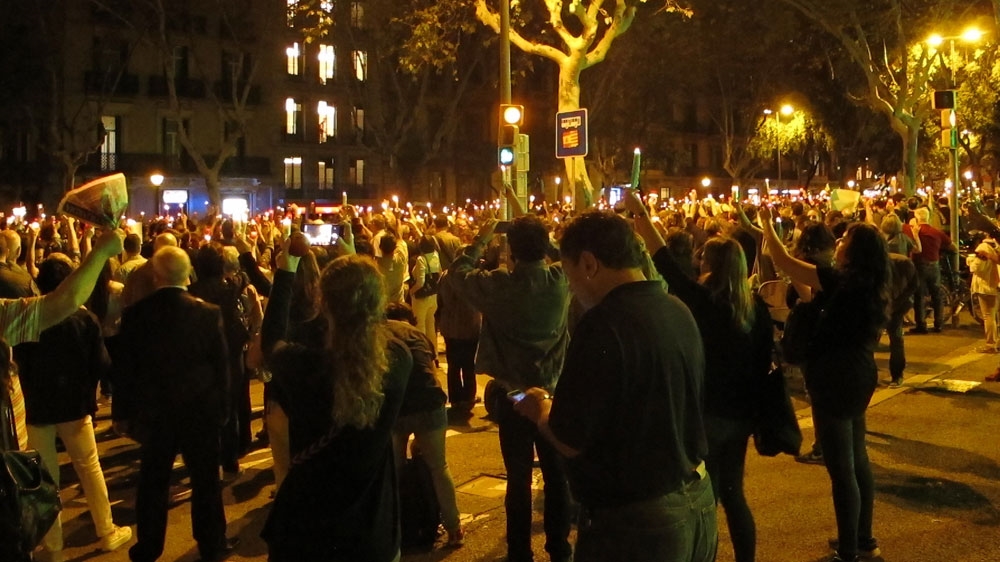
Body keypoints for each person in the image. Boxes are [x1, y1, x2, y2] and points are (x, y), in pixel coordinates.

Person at [514, 210, 716, 562]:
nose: (571, 289)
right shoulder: (677, 310)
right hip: (698, 501)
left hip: (637, 522)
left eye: (569, 273)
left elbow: (570, 437)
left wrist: (540, 406)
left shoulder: (603, 325)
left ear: (589, 263)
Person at [628, 190, 770, 562]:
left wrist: (640, 212)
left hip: (703, 413)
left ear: (711, 264)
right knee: (734, 494)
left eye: (703, 255)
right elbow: (763, 364)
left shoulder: (703, 302)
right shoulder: (757, 309)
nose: (696, 257)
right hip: (740, 415)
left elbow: (664, 264)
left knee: (697, 494)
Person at [260, 245, 412, 562]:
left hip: (307, 530)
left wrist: (286, 270)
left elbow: (270, 341)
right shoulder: (399, 359)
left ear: (323, 302)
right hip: (373, 529)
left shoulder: (305, 365)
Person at [759, 206, 891, 562]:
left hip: (835, 377)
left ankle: (848, 551)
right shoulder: (868, 285)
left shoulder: (842, 281)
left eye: (845, 238)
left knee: (840, 468)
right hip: (859, 373)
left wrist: (767, 226)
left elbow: (785, 262)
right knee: (858, 458)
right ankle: (863, 539)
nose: (839, 241)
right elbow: (802, 286)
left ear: (856, 250)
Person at [448, 214, 573, 562]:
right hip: (551, 393)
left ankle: (520, 552)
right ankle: (559, 548)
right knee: (556, 477)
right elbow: (567, 256)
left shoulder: (499, 285)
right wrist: (543, 238)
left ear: (510, 250)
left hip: (514, 395)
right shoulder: (560, 280)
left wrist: (481, 235)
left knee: (517, 479)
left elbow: (458, 273)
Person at [113, 246, 237, 562]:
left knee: (153, 482)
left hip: (155, 413)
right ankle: (212, 543)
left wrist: (122, 413)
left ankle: (149, 545)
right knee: (206, 481)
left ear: (156, 276)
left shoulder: (137, 315)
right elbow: (222, 366)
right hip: (200, 410)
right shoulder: (207, 313)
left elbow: (125, 369)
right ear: (188, 274)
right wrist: (223, 408)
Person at [14, 255, 132, 562]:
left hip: (39, 406)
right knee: (89, 468)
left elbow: (20, 360)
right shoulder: (84, 318)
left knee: (46, 476)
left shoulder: (30, 317)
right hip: (76, 405)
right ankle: (106, 531)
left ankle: (52, 545)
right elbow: (103, 364)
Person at [385, 302, 464, 547]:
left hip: (397, 406)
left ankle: (397, 528)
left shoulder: (379, 332)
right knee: (439, 467)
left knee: (394, 469)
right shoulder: (419, 335)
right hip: (429, 402)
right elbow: (430, 371)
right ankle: (454, 529)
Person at [905, 207, 954, 334]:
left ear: (916, 218)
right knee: (937, 295)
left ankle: (921, 325)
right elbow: (951, 245)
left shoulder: (914, 232)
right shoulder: (936, 232)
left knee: (919, 295)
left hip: (919, 265)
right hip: (934, 264)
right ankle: (939, 324)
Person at [410, 235, 441, 348]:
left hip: (421, 298)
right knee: (431, 325)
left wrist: (411, 291)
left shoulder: (420, 259)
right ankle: (435, 353)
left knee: (420, 326)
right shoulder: (436, 255)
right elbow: (440, 273)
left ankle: (423, 350)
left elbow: (420, 282)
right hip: (433, 295)